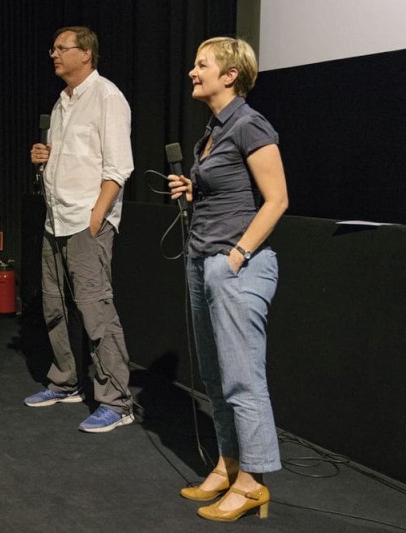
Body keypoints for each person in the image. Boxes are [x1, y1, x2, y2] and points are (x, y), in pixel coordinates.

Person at [168, 37, 288, 521]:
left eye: (202, 65)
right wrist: (194, 188)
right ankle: (229, 461)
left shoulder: (249, 123)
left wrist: (236, 256)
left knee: (243, 378)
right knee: (216, 378)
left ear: (229, 75)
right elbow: (229, 190)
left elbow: (277, 199)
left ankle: (254, 481)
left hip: (235, 265)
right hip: (204, 259)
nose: (193, 72)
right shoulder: (213, 132)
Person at [25, 26, 135, 433]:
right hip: (56, 218)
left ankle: (116, 400)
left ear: (85, 53)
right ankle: (65, 382)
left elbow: (118, 166)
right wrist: (45, 156)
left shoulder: (107, 97)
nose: (53, 54)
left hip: (87, 220)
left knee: (95, 309)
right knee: (55, 306)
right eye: (52, 47)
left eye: (61, 48)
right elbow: (74, 157)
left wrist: (97, 216)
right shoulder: (61, 103)